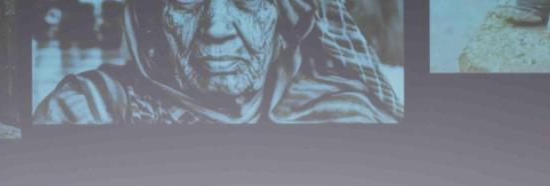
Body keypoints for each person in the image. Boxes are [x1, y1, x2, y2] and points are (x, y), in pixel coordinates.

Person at [34, 0, 402, 124]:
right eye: (188, 3)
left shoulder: (347, 111)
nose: (216, 30)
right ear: (151, 22)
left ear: (283, 18)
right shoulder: (89, 105)